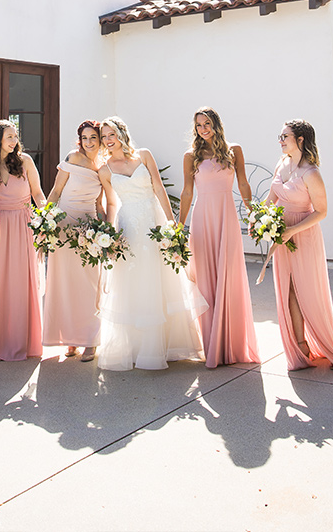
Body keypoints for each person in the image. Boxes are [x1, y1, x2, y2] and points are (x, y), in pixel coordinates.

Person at [96, 117, 207, 371]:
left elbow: (158, 188)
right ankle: (136, 347)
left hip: (153, 221)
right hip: (128, 228)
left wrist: (171, 225)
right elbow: (112, 203)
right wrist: (110, 237)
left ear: (122, 133)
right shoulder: (105, 170)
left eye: (111, 133)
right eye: (104, 136)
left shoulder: (144, 155)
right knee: (133, 282)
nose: (108, 140)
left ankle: (164, 345)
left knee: (160, 279)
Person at [267, 119, 333, 371]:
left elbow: (321, 211)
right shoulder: (281, 163)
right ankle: (299, 347)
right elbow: (271, 198)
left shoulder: (311, 173)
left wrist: (293, 231)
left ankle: (324, 345)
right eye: (280, 135)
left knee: (305, 291)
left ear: (300, 139)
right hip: (281, 233)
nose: (280, 140)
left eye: (284, 135)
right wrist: (260, 219)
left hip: (303, 233)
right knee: (286, 290)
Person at [180, 108, 260, 368]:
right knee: (205, 279)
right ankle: (210, 343)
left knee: (230, 276)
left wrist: (254, 213)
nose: (203, 128)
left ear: (216, 124)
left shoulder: (234, 150)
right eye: (199, 125)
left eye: (207, 123)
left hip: (227, 219)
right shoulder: (190, 156)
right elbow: (187, 193)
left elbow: (244, 184)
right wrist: (178, 226)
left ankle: (232, 344)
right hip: (202, 220)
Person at [42, 120, 117, 362]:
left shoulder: (104, 167)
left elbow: (101, 204)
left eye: (93, 137)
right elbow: (55, 191)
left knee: (88, 285)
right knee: (64, 284)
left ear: (100, 138)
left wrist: (106, 230)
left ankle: (90, 341)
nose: (89, 142)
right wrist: (46, 219)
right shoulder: (73, 158)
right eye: (84, 138)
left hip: (88, 231)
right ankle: (70, 339)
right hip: (63, 227)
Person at [0, 120, 45, 360]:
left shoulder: (25, 161)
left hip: (22, 225)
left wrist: (45, 217)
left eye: (16, 136)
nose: (14, 140)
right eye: (9, 136)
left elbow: (37, 193)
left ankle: (23, 340)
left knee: (21, 280)